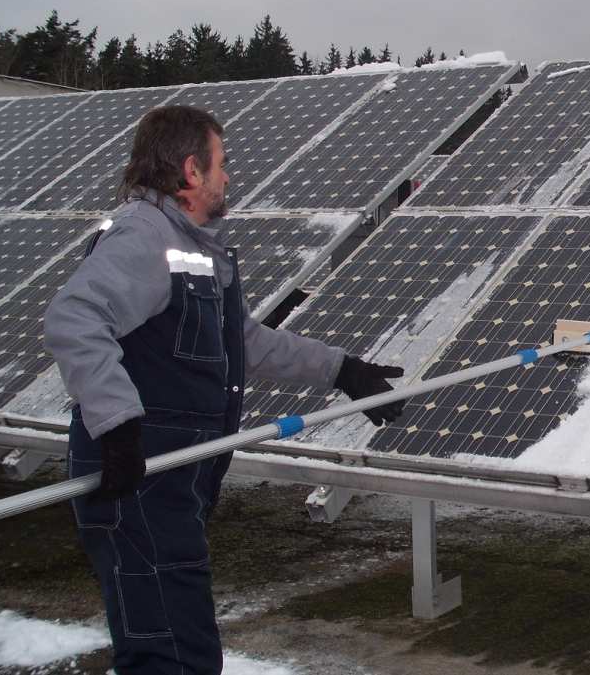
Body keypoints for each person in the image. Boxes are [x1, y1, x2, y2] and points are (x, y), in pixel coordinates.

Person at [44, 104, 405, 675]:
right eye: (222, 163)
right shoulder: (143, 236)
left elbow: (240, 340)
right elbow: (76, 318)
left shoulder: (191, 249)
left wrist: (342, 369)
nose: (229, 176)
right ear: (191, 171)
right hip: (138, 478)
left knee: (177, 645)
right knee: (170, 653)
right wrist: (117, 427)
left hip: (170, 479)